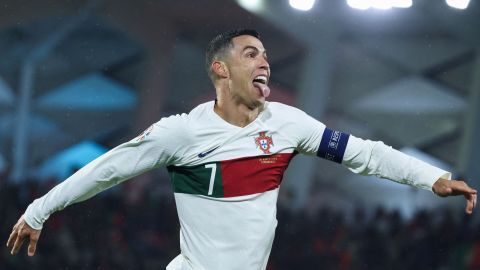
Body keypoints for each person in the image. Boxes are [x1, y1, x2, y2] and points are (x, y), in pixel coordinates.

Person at [7, 29, 477, 270]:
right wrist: (38, 210)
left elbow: (365, 153)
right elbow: (108, 169)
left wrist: (428, 177)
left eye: (266, 55)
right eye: (251, 53)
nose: (265, 61)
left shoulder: (290, 126)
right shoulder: (182, 134)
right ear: (220, 69)